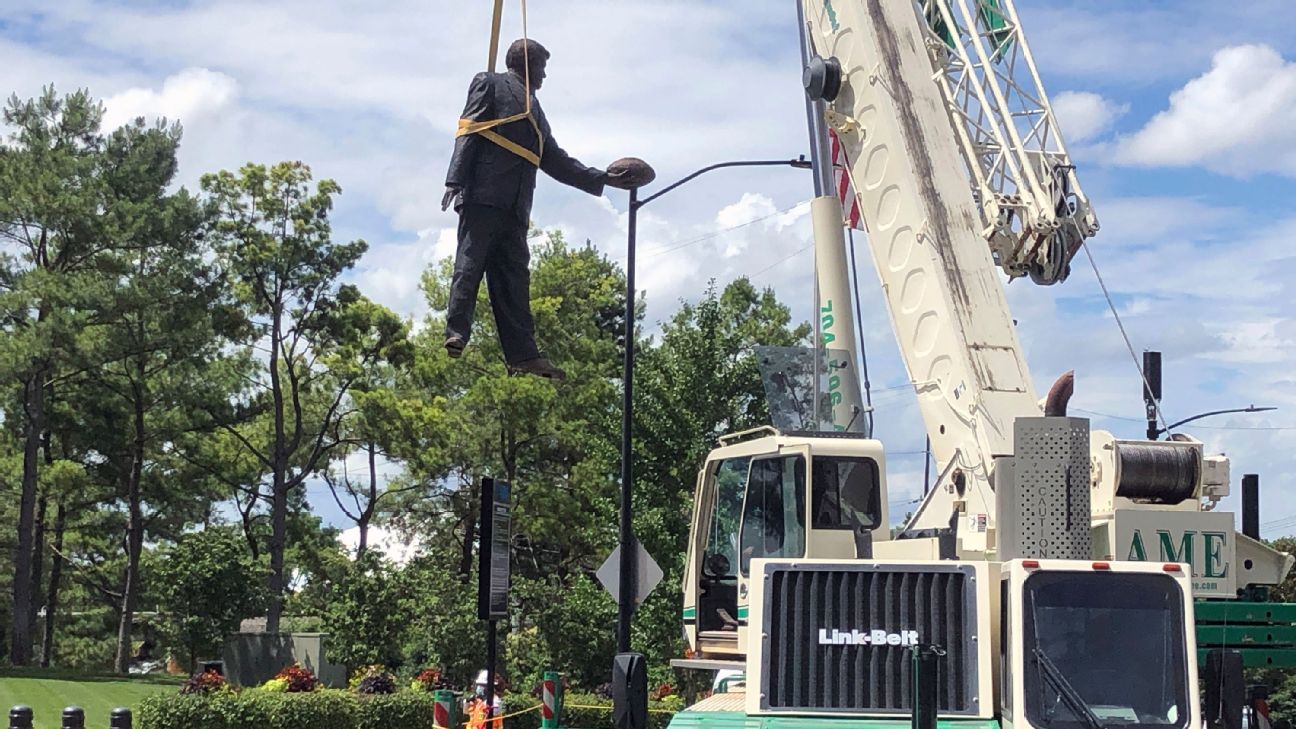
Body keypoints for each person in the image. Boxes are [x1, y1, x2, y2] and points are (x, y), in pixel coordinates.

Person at [443, 38, 628, 380]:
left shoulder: (536, 110)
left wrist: (603, 179)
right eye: (542, 66)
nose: (544, 75)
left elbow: (554, 160)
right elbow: (468, 129)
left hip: (516, 206)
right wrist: (454, 180)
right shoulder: (490, 83)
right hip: (484, 194)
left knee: (515, 282)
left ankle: (523, 355)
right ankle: (457, 331)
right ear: (526, 63)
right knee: (470, 264)